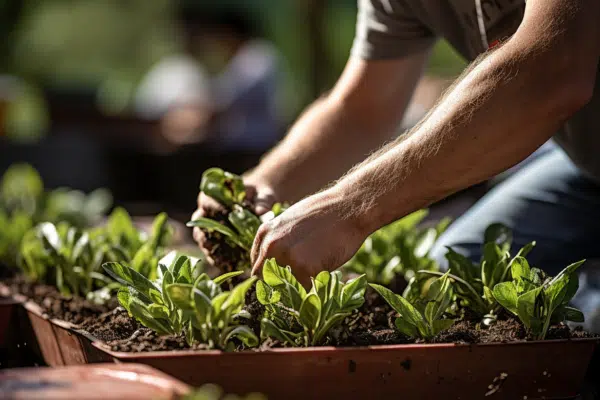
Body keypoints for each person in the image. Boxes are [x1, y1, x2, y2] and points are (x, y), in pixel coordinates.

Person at [194, 1, 600, 328]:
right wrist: (264, 185)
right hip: (584, 169)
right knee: (451, 278)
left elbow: (552, 66)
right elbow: (362, 110)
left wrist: (350, 208)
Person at [135, 5, 282, 151]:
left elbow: (224, 100)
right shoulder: (244, 60)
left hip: (253, 144)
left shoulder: (256, 58)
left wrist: (186, 120)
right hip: (242, 143)